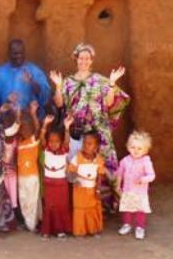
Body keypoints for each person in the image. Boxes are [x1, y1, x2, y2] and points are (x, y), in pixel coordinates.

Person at [50, 43, 130, 211]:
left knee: (105, 164)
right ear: (76, 59)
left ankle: (107, 203)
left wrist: (112, 83)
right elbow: (59, 103)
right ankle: (81, 203)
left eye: (87, 58)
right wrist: (58, 86)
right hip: (77, 132)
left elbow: (109, 103)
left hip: (99, 130)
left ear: (91, 61)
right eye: (81, 58)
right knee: (79, 165)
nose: (84, 61)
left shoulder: (100, 80)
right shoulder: (68, 82)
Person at [0, 38, 51, 116]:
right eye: (15, 53)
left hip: (30, 119)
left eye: (21, 53)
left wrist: (31, 82)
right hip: (5, 119)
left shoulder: (34, 71)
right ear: (9, 53)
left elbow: (45, 96)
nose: (19, 56)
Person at [116, 131, 155, 240]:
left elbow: (152, 175)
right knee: (127, 208)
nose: (136, 151)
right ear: (128, 147)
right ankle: (127, 224)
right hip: (127, 190)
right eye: (133, 147)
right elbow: (119, 173)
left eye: (140, 148)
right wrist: (118, 185)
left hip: (140, 192)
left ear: (146, 150)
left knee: (140, 209)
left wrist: (143, 179)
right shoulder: (125, 160)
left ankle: (140, 227)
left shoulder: (146, 161)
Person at [40, 114, 73, 239]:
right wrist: (45, 125)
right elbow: (42, 138)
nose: (54, 144)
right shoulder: (46, 149)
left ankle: (60, 230)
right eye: (51, 141)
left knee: (61, 207)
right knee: (49, 207)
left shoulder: (64, 150)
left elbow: (67, 140)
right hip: (49, 184)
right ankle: (47, 230)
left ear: (61, 142)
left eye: (57, 141)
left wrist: (66, 128)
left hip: (61, 184)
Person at [68, 131, 105, 237]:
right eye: (84, 143)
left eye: (89, 144)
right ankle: (80, 231)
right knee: (80, 210)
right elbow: (71, 171)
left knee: (91, 209)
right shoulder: (77, 158)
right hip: (80, 191)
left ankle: (92, 229)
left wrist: (98, 189)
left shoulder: (98, 160)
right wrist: (74, 180)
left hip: (92, 190)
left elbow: (99, 175)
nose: (85, 146)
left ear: (96, 146)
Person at [16, 101, 42, 232]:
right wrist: (18, 114)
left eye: (27, 128)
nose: (24, 130)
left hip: (32, 176)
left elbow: (37, 128)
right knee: (24, 199)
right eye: (22, 128)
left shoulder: (33, 140)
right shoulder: (19, 142)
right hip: (21, 177)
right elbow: (15, 127)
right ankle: (28, 222)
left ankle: (32, 225)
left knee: (32, 200)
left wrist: (33, 114)